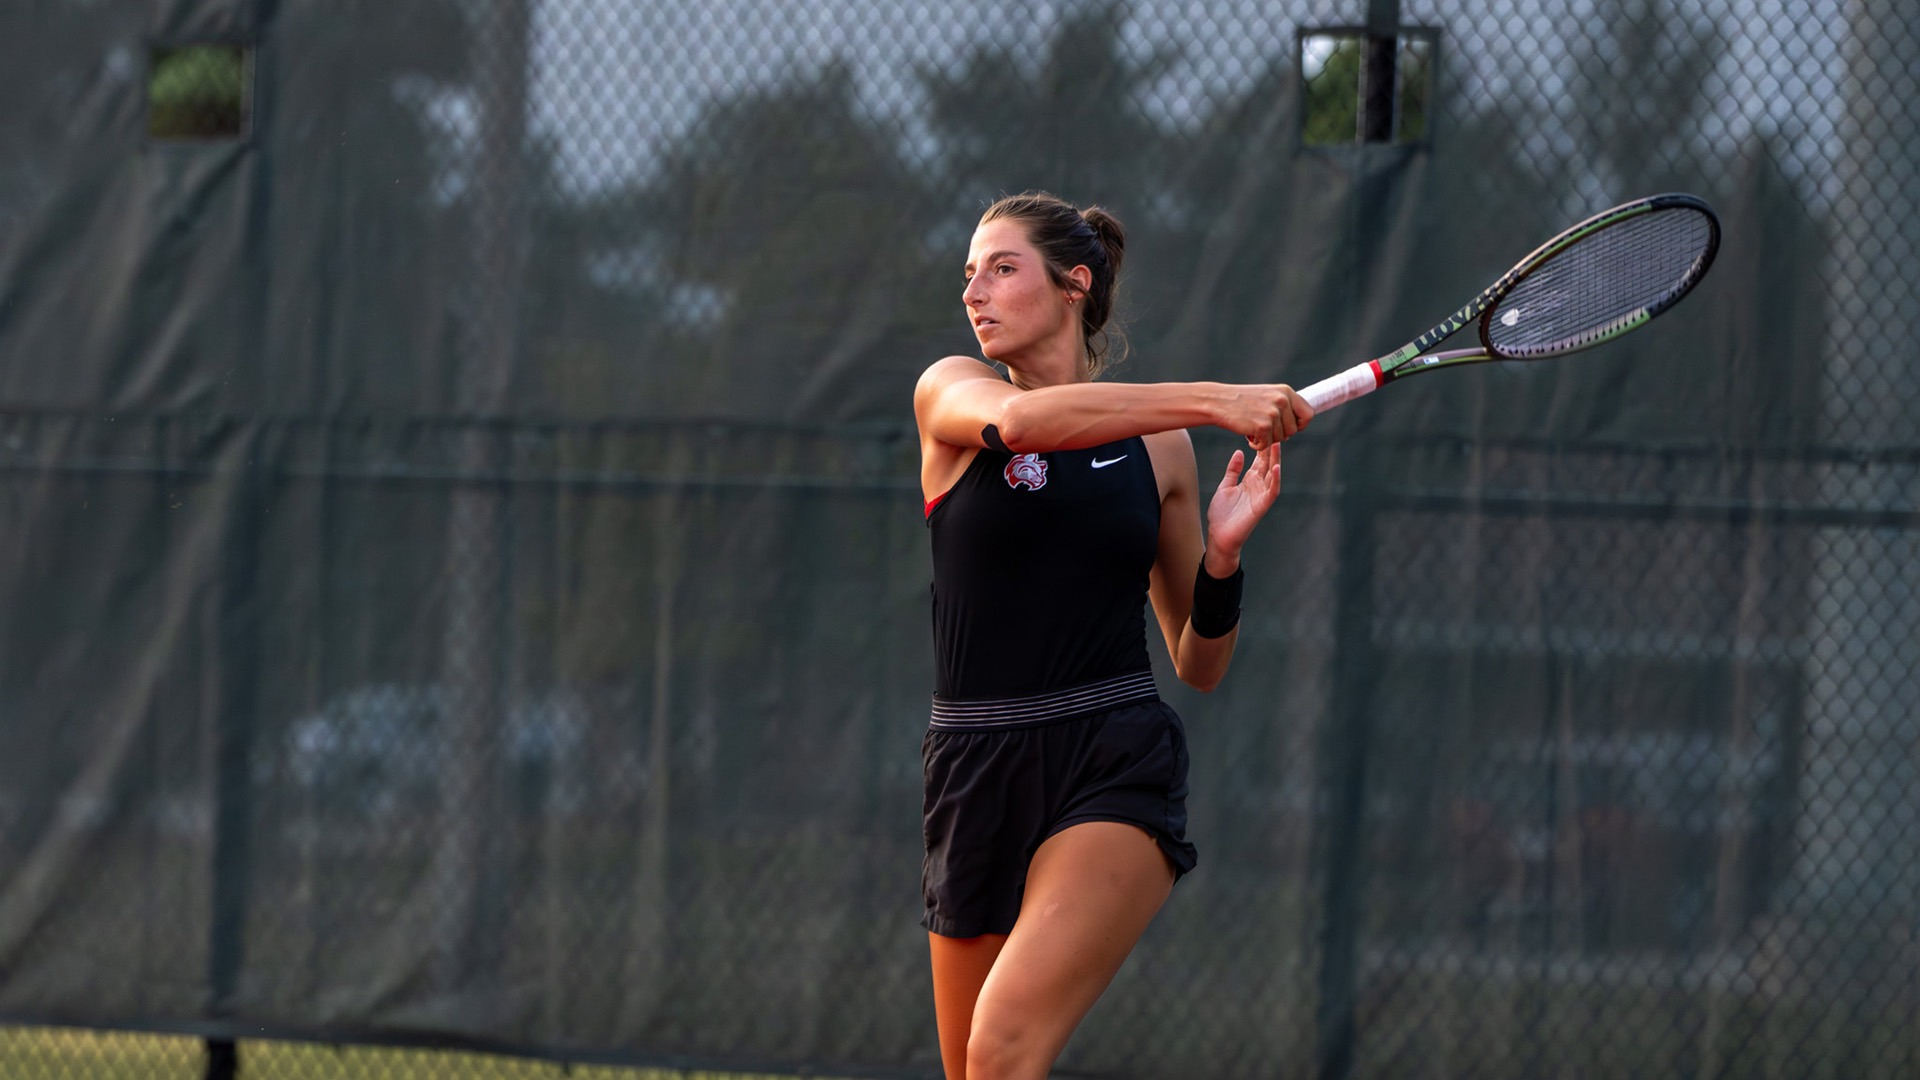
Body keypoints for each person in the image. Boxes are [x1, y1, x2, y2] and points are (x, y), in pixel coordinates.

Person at [912, 190, 1314, 1079]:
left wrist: (1221, 560)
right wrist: (1222, 400)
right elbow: (1025, 426)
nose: (975, 291)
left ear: (1073, 284)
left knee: (1005, 1045)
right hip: (974, 766)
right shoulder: (950, 393)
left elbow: (1197, 663)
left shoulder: (1162, 446)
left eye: (1002, 268)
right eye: (968, 274)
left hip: (1111, 757)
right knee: (976, 1071)